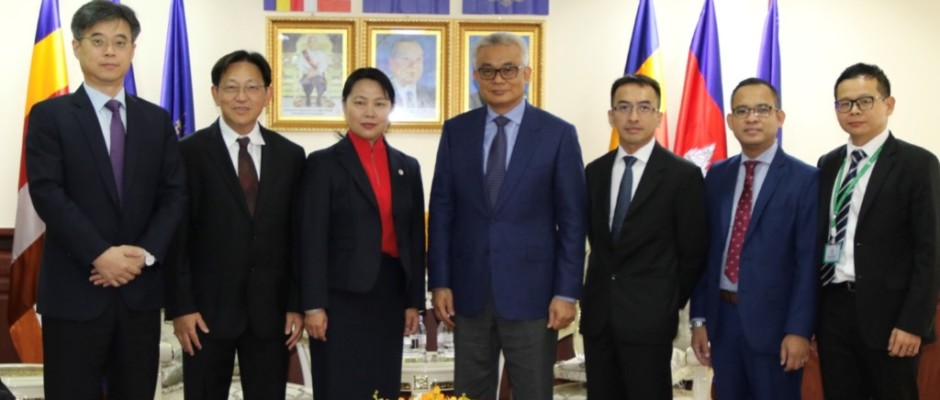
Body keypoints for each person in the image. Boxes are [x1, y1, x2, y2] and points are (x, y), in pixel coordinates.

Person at [24, 1, 186, 398]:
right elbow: (47, 192)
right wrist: (99, 254)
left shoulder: (157, 121)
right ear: (77, 47)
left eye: (120, 41)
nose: (110, 51)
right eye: (98, 41)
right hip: (74, 291)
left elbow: (173, 194)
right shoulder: (50, 116)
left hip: (139, 293)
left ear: (133, 50)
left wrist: (143, 255)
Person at [428, 32, 587, 400]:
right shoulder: (456, 131)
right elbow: (442, 211)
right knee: (470, 392)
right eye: (487, 71)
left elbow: (572, 222)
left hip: (534, 295)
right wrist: (440, 282)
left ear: (526, 73)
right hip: (469, 291)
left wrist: (566, 292)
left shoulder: (558, 134)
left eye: (508, 69)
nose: (498, 79)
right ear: (476, 77)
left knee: (532, 392)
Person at [165, 50, 305, 399]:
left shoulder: (290, 156)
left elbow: (298, 238)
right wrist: (181, 307)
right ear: (215, 94)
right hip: (204, 316)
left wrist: (295, 303)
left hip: (271, 315)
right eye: (231, 87)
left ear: (268, 94)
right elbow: (177, 237)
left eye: (252, 87)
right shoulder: (187, 153)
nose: (241, 97)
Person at [816, 63, 940, 399]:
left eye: (865, 101)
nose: (854, 110)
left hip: (891, 316)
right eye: (844, 103)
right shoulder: (828, 164)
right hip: (833, 310)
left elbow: (930, 252)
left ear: (889, 104)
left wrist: (913, 323)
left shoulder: (918, 164)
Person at [301, 67, 426, 400]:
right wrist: (313, 305)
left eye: (379, 104)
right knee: (340, 386)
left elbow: (414, 238)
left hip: (390, 296)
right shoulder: (323, 164)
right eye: (360, 102)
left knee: (382, 385)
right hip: (339, 299)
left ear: (390, 109)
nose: (370, 112)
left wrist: (414, 302)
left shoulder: (407, 166)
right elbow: (311, 239)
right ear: (344, 106)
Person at [689, 78, 819, 399]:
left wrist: (799, 330)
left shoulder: (805, 179)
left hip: (776, 328)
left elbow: (808, 263)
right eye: (742, 111)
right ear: (730, 120)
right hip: (722, 321)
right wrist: (698, 320)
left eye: (762, 109)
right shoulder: (717, 175)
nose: (752, 118)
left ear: (779, 117)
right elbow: (704, 253)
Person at [580, 74, 707, 399]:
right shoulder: (594, 172)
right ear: (611, 115)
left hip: (650, 319)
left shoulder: (682, 176)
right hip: (599, 319)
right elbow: (596, 242)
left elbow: (693, 253)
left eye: (644, 107)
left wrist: (664, 299)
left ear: (658, 116)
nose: (633, 117)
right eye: (623, 107)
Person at [387, 38, 435, 110]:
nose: (413, 65)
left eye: (418, 59)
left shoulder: (432, 94)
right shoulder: (382, 91)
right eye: (406, 59)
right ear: (392, 63)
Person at [295, 34, 330, 107]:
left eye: (314, 42)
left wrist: (316, 72)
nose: (313, 43)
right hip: (307, 74)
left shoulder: (321, 54)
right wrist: (307, 71)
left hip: (318, 74)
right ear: (308, 43)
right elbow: (300, 65)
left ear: (317, 43)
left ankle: (318, 98)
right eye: (311, 42)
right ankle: (308, 98)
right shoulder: (303, 53)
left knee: (320, 83)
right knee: (307, 83)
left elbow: (324, 65)